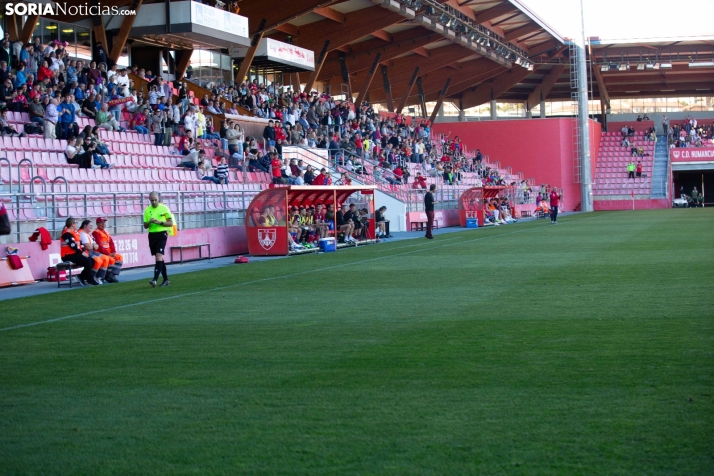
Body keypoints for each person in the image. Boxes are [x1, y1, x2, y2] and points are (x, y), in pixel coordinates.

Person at [143, 191, 173, 287]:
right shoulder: (147, 210)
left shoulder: (164, 208)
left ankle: (155, 280)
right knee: (159, 257)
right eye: (152, 200)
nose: (154, 202)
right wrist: (150, 222)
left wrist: (160, 222)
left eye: (155, 200)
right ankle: (166, 280)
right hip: (152, 235)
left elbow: (170, 223)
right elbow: (145, 226)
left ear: (158, 199)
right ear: (149, 200)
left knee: (158, 256)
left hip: (162, 234)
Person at [59, 217, 100, 286]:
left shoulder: (75, 233)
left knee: (92, 261)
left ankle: (81, 276)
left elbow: (80, 244)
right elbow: (72, 245)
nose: (77, 224)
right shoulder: (66, 234)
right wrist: (81, 253)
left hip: (74, 254)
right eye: (75, 223)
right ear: (72, 224)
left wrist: (83, 251)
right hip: (67, 255)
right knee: (87, 261)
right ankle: (91, 280)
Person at [79, 220, 112, 284]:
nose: (91, 227)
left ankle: (98, 277)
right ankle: (91, 277)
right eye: (90, 225)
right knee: (98, 261)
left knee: (106, 258)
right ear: (85, 226)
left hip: (91, 251)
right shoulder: (82, 234)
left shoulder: (88, 234)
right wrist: (93, 246)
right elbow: (88, 247)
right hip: (87, 252)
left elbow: (96, 245)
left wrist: (93, 246)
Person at [92, 217, 123, 283]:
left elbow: (111, 242)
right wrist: (108, 254)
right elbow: (99, 245)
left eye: (104, 223)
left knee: (119, 257)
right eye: (101, 223)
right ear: (97, 224)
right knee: (111, 259)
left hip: (108, 252)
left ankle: (112, 274)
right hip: (101, 253)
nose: (103, 224)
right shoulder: (96, 232)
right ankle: (107, 275)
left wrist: (113, 251)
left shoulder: (106, 232)